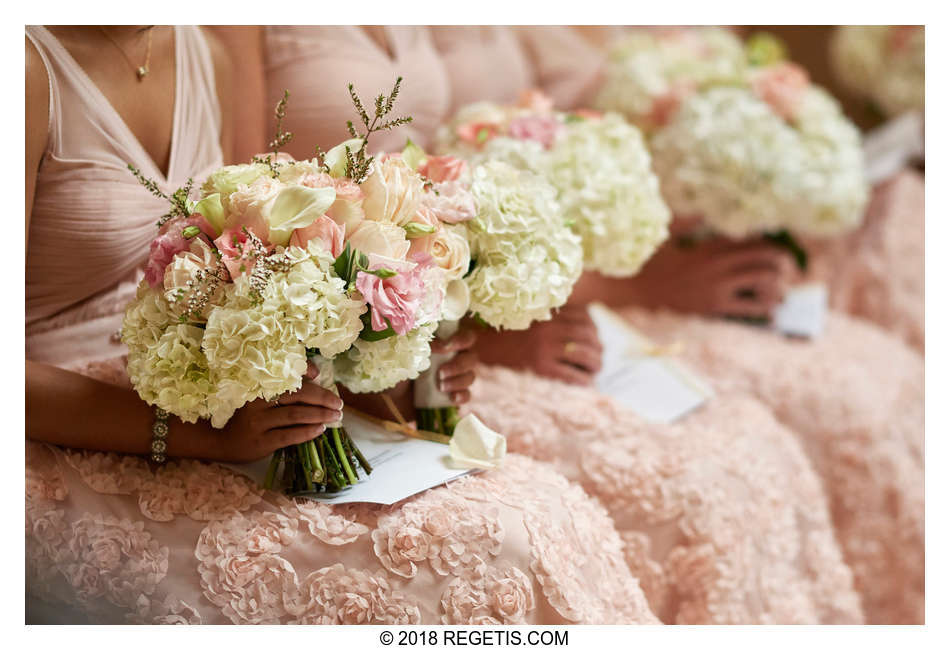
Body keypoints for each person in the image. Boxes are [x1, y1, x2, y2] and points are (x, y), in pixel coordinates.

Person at [24, 25, 658, 625]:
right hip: (60, 423)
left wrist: (388, 363)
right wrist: (206, 439)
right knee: (493, 551)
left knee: (538, 514)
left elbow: (251, 253)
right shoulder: (27, 69)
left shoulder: (204, 52)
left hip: (208, 396)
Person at [429, 26, 864, 624]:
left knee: (759, 436)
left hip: (514, 295)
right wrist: (485, 323)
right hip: (443, 337)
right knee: (705, 483)